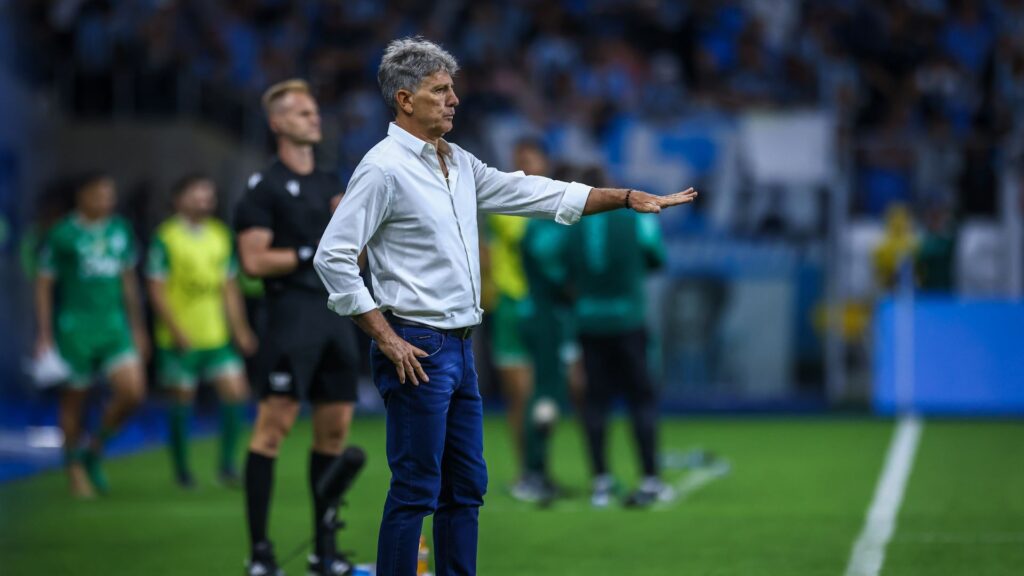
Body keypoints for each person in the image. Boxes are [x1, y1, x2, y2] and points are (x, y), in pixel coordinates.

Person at [314, 37, 697, 575]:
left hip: (462, 347)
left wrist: (625, 197)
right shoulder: (382, 169)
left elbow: (539, 194)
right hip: (417, 347)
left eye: (453, 90)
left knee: (466, 487)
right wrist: (386, 336)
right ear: (404, 99)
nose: (454, 100)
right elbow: (332, 258)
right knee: (416, 489)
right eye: (440, 90)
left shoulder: (458, 162)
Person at [235, 79, 360, 576]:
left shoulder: (332, 182)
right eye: (302, 113)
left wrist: (353, 230)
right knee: (274, 428)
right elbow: (253, 260)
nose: (314, 118)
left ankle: (323, 552)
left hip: (336, 316)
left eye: (314, 111)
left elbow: (358, 254)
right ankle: (261, 553)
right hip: (290, 319)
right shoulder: (263, 188)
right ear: (277, 123)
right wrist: (313, 251)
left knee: (334, 433)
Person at [34, 173, 148, 498]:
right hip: (75, 329)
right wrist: (44, 334)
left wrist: (138, 328)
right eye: (99, 193)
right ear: (82, 195)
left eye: (110, 193)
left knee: (133, 393)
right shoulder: (62, 234)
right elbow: (44, 284)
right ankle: (73, 468)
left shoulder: (120, 230)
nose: (106, 199)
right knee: (74, 402)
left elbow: (128, 282)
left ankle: (94, 448)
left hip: (114, 326)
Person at [564, 166, 673, 508]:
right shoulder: (636, 216)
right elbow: (656, 258)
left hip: (589, 321)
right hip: (628, 319)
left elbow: (560, 267)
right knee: (641, 399)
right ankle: (650, 478)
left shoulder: (574, 220)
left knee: (595, 402)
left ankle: (600, 481)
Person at [145, 174, 257, 489]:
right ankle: (182, 470)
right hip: (180, 337)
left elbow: (229, 288)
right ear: (178, 198)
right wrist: (175, 329)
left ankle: (227, 467)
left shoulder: (220, 236)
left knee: (236, 392)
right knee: (182, 399)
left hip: (216, 335)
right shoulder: (165, 238)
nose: (204, 200)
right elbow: (156, 289)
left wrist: (241, 329)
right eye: (197, 194)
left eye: (209, 195)